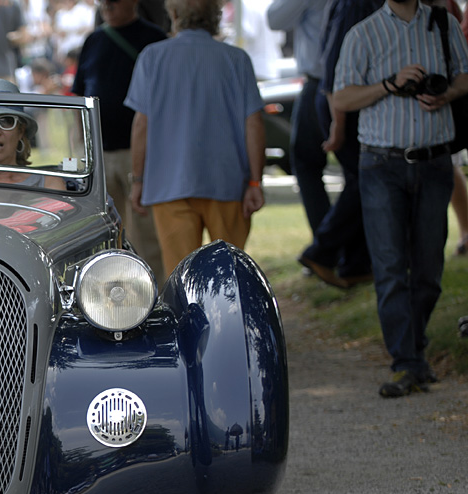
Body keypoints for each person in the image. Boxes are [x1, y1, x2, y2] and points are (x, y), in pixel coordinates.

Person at [333, 0, 468, 397]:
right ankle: (406, 362)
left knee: (429, 268)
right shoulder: (363, 33)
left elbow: (465, 77)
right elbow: (341, 99)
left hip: (435, 162)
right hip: (381, 164)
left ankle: (415, 350)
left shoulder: (443, 23)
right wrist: (389, 84)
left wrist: (446, 93)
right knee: (391, 267)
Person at [125, 0, 265, 277]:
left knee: (181, 279)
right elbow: (254, 124)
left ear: (174, 15)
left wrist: (139, 180)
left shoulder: (152, 57)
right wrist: (255, 181)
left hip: (168, 185)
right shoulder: (236, 59)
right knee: (230, 278)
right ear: (214, 17)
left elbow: (142, 125)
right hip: (227, 183)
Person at [72, 0, 167, 282]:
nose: (107, 6)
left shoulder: (154, 40)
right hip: (99, 153)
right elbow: (80, 96)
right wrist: (83, 146)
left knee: (145, 234)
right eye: (103, 1)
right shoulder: (94, 40)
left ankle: (155, 293)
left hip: (141, 154)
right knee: (102, 233)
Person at [300, 0, 381, 289]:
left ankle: (355, 263)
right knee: (365, 178)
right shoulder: (355, 3)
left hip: (346, 101)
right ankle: (321, 252)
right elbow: (334, 68)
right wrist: (338, 123)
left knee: (360, 179)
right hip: (341, 103)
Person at [267, 0, 330, 238]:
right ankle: (334, 245)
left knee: (306, 164)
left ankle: (327, 244)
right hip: (330, 81)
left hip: (321, 82)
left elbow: (275, 18)